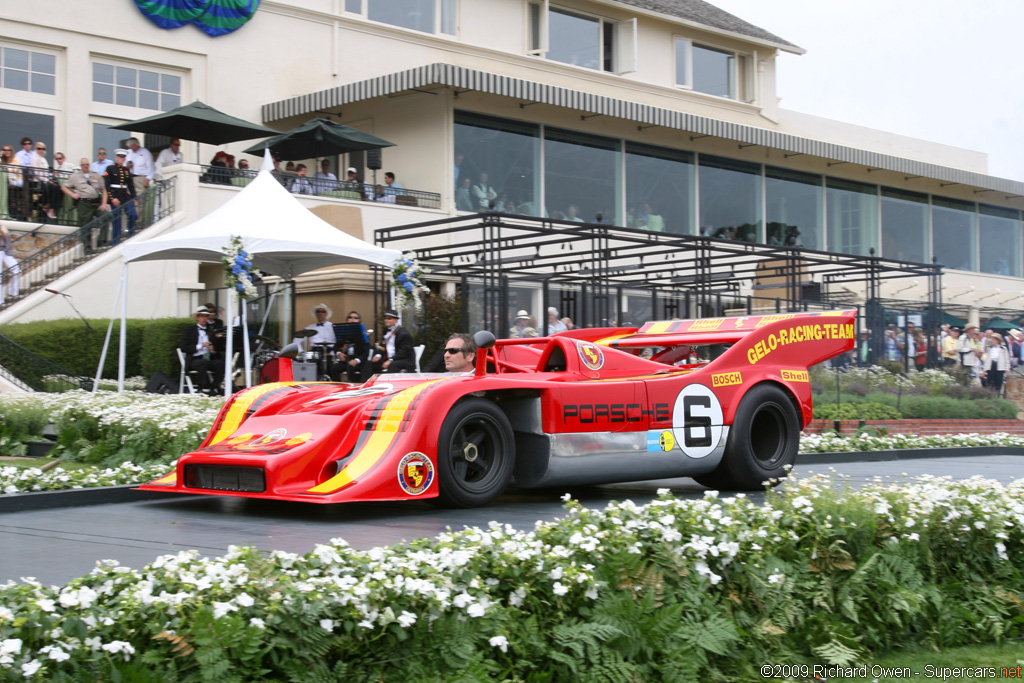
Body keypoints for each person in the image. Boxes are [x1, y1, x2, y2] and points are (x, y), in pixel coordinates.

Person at [178, 307, 225, 395]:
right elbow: (184, 347)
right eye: (202, 316)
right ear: (197, 317)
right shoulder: (189, 330)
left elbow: (217, 347)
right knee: (202, 363)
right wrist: (200, 346)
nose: (204, 319)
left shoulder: (211, 330)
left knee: (221, 363)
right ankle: (201, 387)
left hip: (207, 358)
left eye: (206, 316)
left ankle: (214, 387)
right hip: (194, 359)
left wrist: (213, 350)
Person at [62, 158, 109, 243]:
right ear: (81, 166)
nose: (85, 166)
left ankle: (101, 241)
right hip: (84, 204)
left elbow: (104, 190)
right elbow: (63, 187)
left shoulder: (96, 175)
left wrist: (104, 203)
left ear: (89, 164)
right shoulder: (75, 176)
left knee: (107, 216)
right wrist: (72, 194)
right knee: (86, 226)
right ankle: (88, 250)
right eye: (83, 164)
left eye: (87, 164)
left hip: (96, 203)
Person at [104, 149, 137, 245]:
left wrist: (134, 198)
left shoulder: (126, 170)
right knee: (117, 219)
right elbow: (107, 185)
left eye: (123, 157)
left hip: (124, 195)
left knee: (133, 214)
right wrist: (112, 198)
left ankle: (131, 234)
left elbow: (131, 186)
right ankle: (116, 241)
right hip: (115, 195)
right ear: (116, 157)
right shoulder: (110, 168)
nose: (121, 159)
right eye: (120, 157)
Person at [329, 310, 371, 383]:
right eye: (350, 317)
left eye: (355, 318)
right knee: (333, 368)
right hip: (346, 359)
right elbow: (336, 346)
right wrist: (339, 353)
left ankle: (353, 387)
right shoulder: (344, 333)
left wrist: (356, 360)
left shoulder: (363, 334)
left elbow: (365, 353)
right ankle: (339, 387)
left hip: (359, 361)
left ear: (359, 321)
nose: (352, 320)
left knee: (353, 367)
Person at [0, 225, 21, 305]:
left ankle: (12, 292)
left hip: (6, 251)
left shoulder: (2, 226)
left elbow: (7, 238)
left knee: (17, 270)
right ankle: (0, 301)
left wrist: (1, 231)